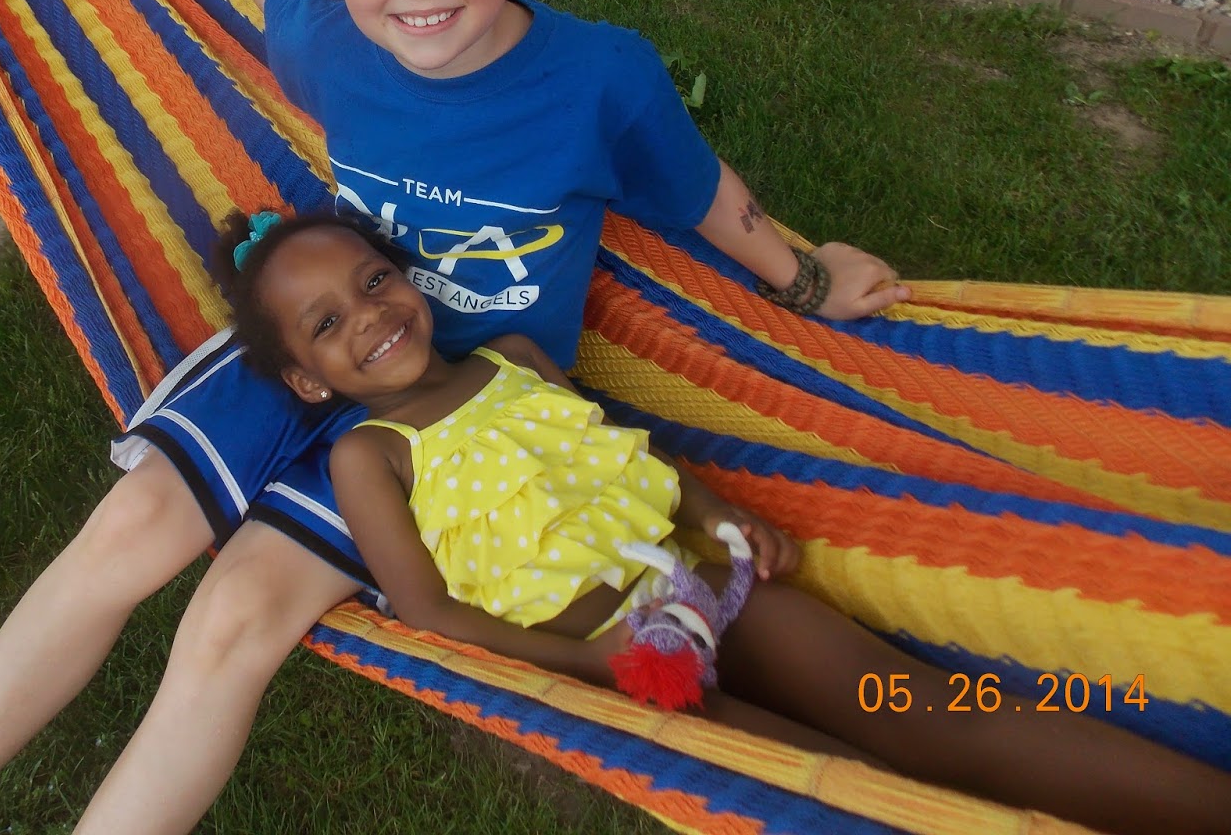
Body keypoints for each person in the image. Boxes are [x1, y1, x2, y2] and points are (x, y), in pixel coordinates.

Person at [0, 0, 906, 835]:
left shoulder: (602, 78)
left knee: (231, 620)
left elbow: (702, 192)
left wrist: (806, 276)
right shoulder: (331, 45)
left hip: (463, 420)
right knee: (123, 532)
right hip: (312, 335)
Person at [218, 208, 1231, 835]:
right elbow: (431, 615)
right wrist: (590, 662)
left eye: (374, 280)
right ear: (307, 380)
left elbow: (624, 454)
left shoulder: (513, 360)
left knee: (920, 705)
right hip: (624, 671)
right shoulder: (372, 453)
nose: (370, 314)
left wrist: (721, 514)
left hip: (703, 586)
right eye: (327, 324)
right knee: (844, 792)